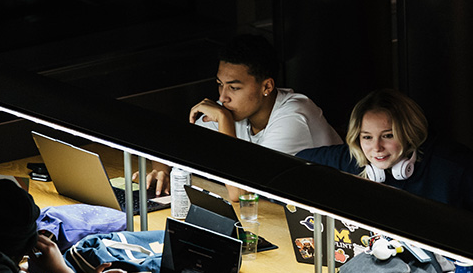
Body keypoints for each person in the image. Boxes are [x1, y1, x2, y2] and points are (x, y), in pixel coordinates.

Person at [295, 88, 473, 234]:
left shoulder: (456, 169)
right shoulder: (356, 158)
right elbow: (295, 166)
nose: (376, 148)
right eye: (366, 137)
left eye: (388, 136)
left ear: (409, 133)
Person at [143, 33, 341, 194]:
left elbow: (241, 192)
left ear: (267, 86)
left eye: (234, 88)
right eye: (220, 85)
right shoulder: (236, 109)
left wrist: (223, 121)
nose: (223, 97)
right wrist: (162, 171)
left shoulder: (294, 116)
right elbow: (172, 141)